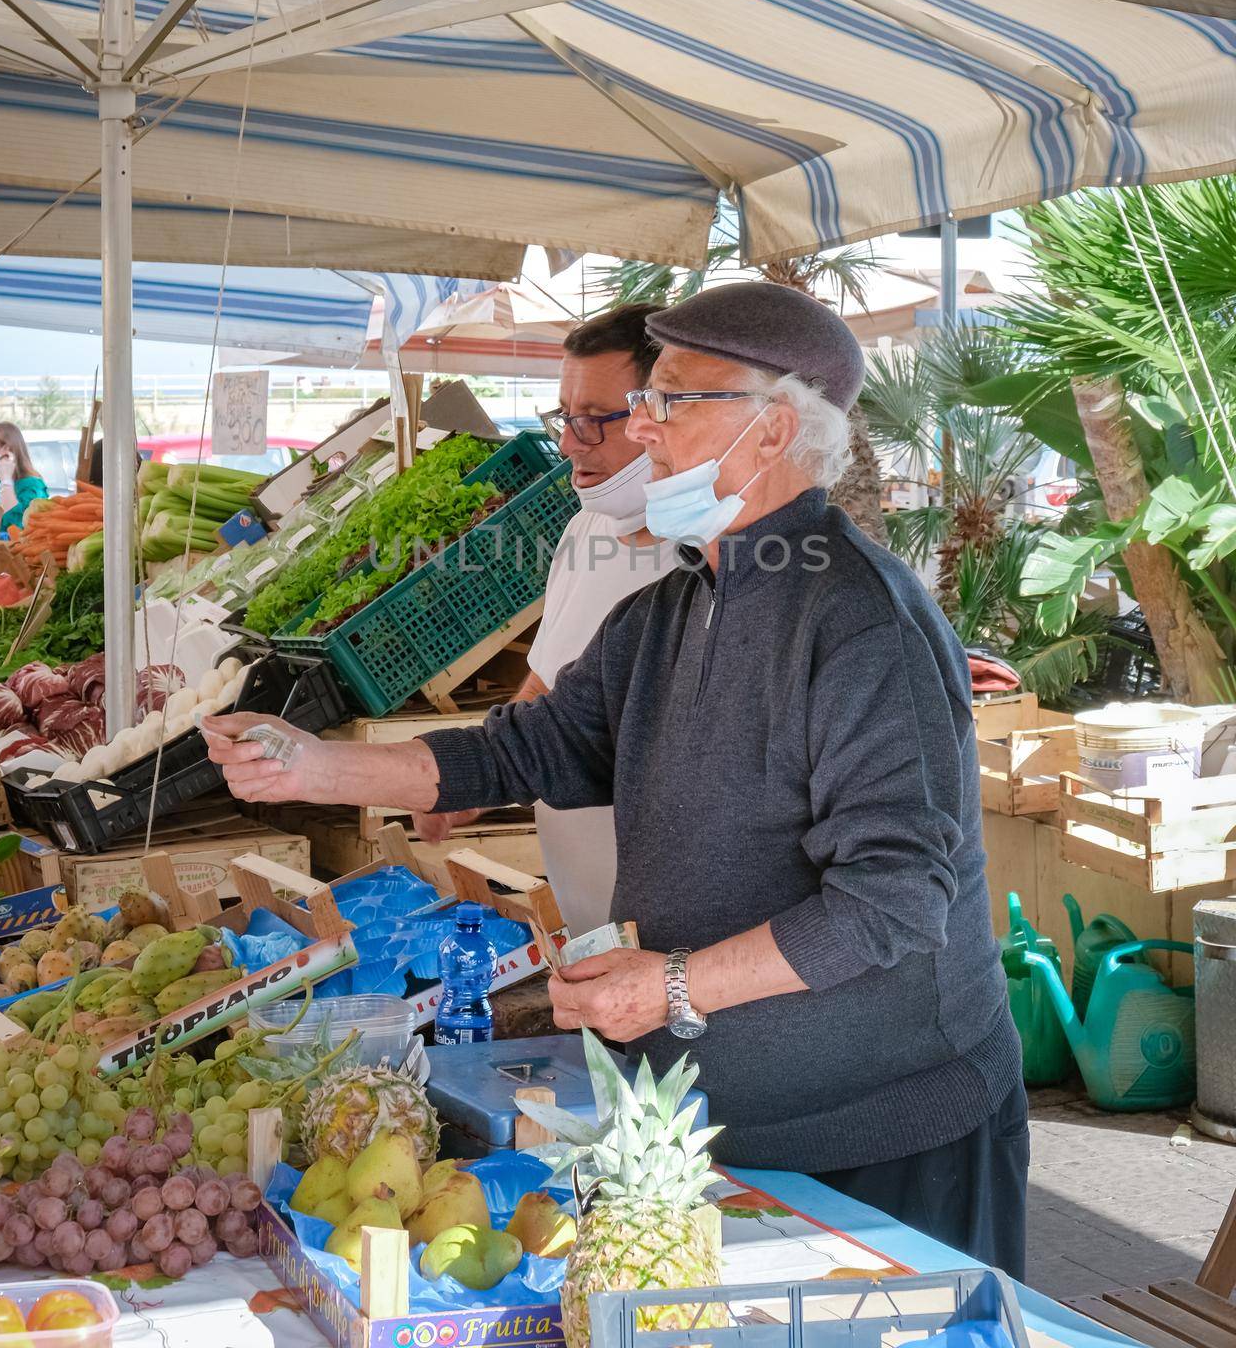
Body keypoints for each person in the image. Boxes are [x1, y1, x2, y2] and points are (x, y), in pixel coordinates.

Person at [204, 281, 1026, 1275]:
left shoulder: (859, 625)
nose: (641, 425)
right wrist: (311, 764)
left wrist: (674, 983)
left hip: (885, 1139)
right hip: (720, 1121)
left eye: (670, 400)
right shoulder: (676, 606)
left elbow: (893, 899)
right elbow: (526, 747)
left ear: (769, 432)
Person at [440, 304, 676, 936]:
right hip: (586, 916)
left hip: (678, 948)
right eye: (566, 419)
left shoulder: (710, 564)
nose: (571, 443)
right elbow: (545, 687)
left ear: (665, 415)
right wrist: (473, 780)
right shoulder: (586, 531)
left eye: (597, 420)